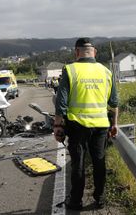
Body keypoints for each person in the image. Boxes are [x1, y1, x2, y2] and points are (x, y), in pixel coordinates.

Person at [53, 37, 119, 210]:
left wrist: (58, 126)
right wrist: (115, 124)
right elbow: (114, 102)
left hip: (77, 125)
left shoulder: (70, 70)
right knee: (99, 161)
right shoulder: (106, 71)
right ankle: (100, 199)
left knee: (78, 163)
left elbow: (61, 102)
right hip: (101, 125)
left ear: (77, 52)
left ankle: (76, 201)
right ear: (94, 52)